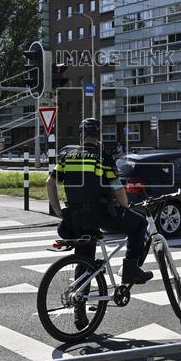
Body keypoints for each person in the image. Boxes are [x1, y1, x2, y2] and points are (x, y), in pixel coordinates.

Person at [46, 118, 153, 291]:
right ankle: (130, 270)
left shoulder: (68, 156)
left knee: (84, 256)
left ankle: (79, 310)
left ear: (82, 136)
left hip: (75, 218)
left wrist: (58, 211)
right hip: (100, 215)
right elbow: (118, 189)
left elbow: (49, 183)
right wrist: (125, 208)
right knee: (140, 224)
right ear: (98, 136)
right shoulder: (104, 157)